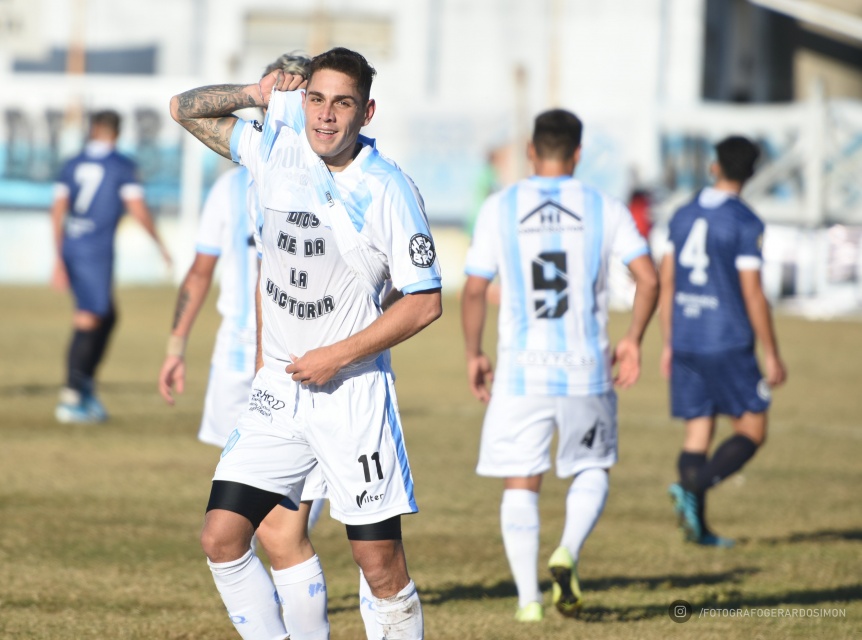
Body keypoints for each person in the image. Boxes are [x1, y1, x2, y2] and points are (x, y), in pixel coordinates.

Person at [171, 46, 441, 640]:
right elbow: (182, 109)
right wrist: (258, 93)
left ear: (366, 112)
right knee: (222, 536)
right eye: (316, 99)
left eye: (342, 103)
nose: (325, 115)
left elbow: (424, 301)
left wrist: (337, 354)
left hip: (352, 400)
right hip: (279, 395)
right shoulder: (274, 150)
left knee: (380, 568)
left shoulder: (388, 188)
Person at [461, 109, 659, 622]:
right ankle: (567, 549)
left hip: (521, 370)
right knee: (592, 466)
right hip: (585, 366)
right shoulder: (603, 207)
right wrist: (634, 339)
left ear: (531, 150)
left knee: (520, 482)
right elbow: (649, 278)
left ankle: (528, 600)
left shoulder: (500, 207)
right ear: (577, 153)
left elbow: (476, 287)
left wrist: (474, 352)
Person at [659, 135, 787, 547]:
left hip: (686, 337)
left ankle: (699, 529)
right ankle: (696, 488)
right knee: (752, 429)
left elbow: (667, 281)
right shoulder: (745, 221)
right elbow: (752, 292)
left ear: (714, 166)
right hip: (726, 339)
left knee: (697, 432)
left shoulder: (682, 214)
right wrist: (772, 352)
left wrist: (667, 342)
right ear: (749, 174)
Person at [51, 109, 171, 423]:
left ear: (93, 130)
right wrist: (160, 244)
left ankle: (84, 386)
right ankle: (72, 396)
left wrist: (59, 256)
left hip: (74, 245)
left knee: (108, 315)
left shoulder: (72, 163)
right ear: (117, 133)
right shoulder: (120, 165)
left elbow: (57, 209)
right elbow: (137, 207)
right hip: (94, 250)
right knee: (89, 317)